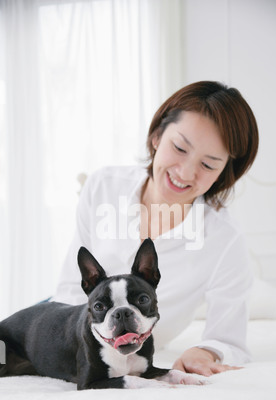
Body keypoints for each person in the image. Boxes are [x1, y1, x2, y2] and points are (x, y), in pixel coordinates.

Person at [53, 81, 259, 377]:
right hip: (62, 322)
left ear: (224, 172)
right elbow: (71, 290)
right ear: (156, 136)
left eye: (209, 164)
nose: (186, 173)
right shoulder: (103, 187)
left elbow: (228, 339)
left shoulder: (224, 240)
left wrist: (204, 351)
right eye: (179, 148)